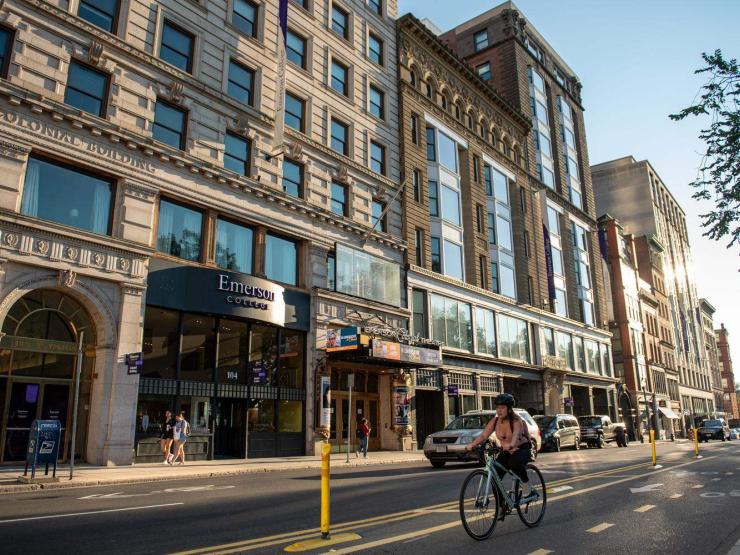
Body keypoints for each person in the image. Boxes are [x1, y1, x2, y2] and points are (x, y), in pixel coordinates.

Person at [464, 393, 535, 504]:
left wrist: (511, 445)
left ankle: (527, 487)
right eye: (497, 407)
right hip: (506, 450)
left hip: (521, 449)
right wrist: (472, 445)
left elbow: (515, 437)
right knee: (494, 478)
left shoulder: (517, 421)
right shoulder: (495, 421)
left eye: (502, 408)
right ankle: (501, 506)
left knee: (513, 464)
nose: (499, 410)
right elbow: (483, 436)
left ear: (509, 409)